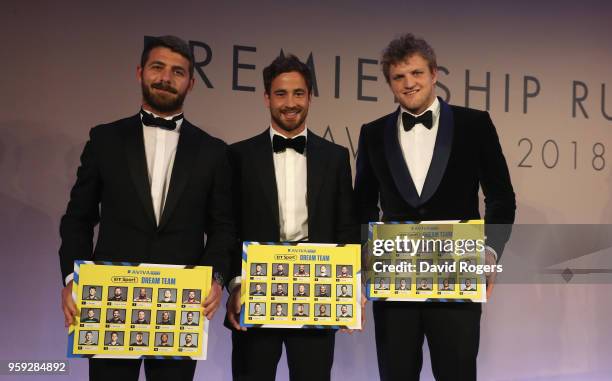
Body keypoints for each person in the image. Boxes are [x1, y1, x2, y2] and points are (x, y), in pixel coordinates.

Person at [59, 35, 234, 381]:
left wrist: (215, 278)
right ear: (140, 72)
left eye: (178, 72)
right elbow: (78, 218)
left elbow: (223, 227)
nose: (166, 78)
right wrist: (72, 278)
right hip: (109, 303)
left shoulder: (213, 151)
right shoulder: (105, 139)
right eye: (158, 67)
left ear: (191, 83)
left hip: (180, 305)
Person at [354, 33, 516, 381]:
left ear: (434, 74)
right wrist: (367, 251)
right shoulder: (372, 133)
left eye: (416, 73)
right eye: (399, 77)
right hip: (394, 282)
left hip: (457, 279)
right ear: (389, 84)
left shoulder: (475, 125)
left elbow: (502, 198)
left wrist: (489, 251)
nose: (409, 83)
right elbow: (363, 204)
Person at [226, 54, 358, 381]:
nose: (290, 103)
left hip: (316, 295)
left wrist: (350, 287)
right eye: (281, 94)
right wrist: (235, 283)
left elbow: (346, 226)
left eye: (298, 93)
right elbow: (226, 227)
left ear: (310, 97)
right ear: (267, 97)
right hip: (255, 294)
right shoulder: (237, 155)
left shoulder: (337, 157)